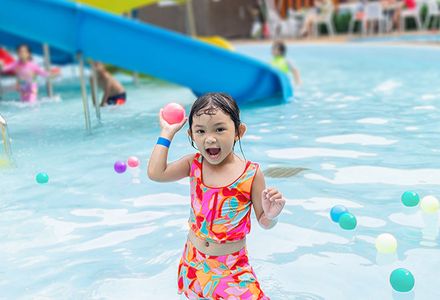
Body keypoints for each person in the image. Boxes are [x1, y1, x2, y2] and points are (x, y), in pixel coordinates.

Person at [148, 92, 285, 299]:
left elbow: (264, 222)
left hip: (232, 269)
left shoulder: (251, 174)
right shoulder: (193, 164)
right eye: (200, 131)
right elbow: (156, 173)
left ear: (239, 131)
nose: (210, 138)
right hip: (193, 262)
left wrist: (272, 215)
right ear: (191, 136)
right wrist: (167, 133)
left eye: (220, 129)